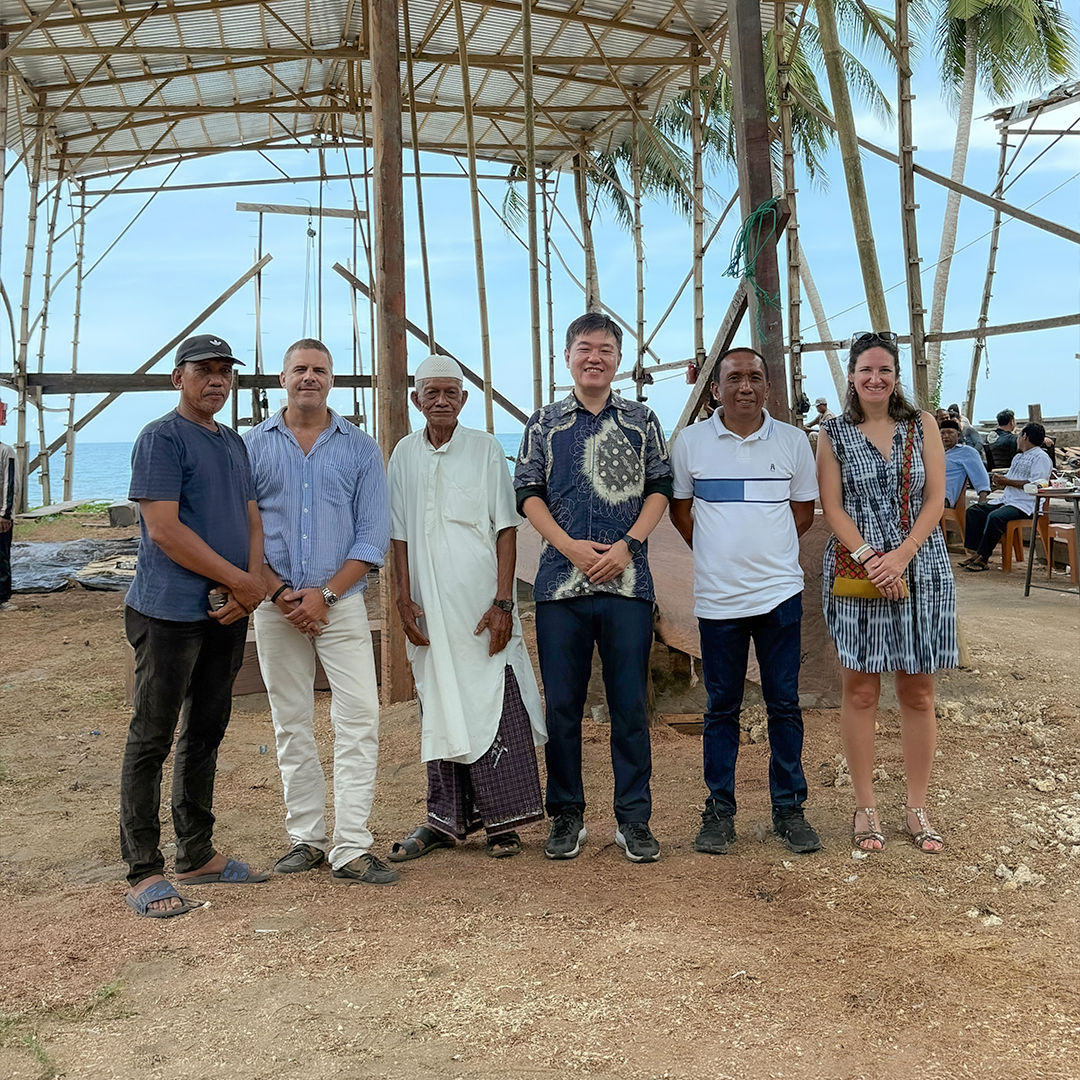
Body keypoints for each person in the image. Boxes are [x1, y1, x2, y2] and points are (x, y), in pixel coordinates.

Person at [514, 312, 672, 863]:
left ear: (618, 358)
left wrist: (627, 545)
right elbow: (528, 493)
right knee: (564, 705)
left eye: (605, 349)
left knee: (630, 704)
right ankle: (567, 816)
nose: (595, 358)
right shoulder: (544, 424)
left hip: (628, 583)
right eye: (585, 349)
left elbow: (660, 488)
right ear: (568, 356)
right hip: (561, 586)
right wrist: (572, 548)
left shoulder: (641, 420)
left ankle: (634, 819)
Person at [121, 334, 269, 919]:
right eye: (203, 370)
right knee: (151, 736)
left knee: (206, 730)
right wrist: (240, 579)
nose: (216, 380)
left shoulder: (232, 440)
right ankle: (143, 870)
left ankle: (197, 853)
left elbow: (252, 516)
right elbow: (164, 529)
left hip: (226, 611)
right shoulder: (161, 437)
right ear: (176, 379)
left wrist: (249, 585)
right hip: (167, 612)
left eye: (223, 372)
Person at [246, 339, 397, 886]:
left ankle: (351, 845)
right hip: (275, 605)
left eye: (320, 370)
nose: (309, 377)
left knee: (359, 718)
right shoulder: (252, 447)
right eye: (300, 369)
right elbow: (245, 530)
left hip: (343, 604)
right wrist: (280, 592)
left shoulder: (359, 449)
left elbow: (372, 535)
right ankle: (306, 837)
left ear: (333, 379)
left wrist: (324, 595)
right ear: (281, 378)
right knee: (291, 722)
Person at [387, 355, 547, 863]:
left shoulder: (484, 450)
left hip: (481, 605)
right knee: (440, 702)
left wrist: (504, 602)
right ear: (416, 400)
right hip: (430, 608)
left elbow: (506, 529)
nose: (440, 401)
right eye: (430, 392)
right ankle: (443, 821)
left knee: (495, 698)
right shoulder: (403, 454)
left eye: (449, 392)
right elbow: (398, 535)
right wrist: (401, 598)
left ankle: (503, 824)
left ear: (463, 398)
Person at [669, 348, 821, 856]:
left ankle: (789, 810)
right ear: (716, 389)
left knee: (783, 704)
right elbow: (681, 513)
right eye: (734, 377)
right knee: (721, 708)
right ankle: (719, 811)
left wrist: (766, 554)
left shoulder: (795, 442)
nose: (746, 386)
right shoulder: (689, 444)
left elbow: (802, 513)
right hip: (718, 601)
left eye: (756, 376)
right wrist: (719, 554)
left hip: (780, 595)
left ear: (768, 387)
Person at [817, 332, 956, 854]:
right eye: (865, 370)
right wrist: (874, 557)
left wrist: (902, 554)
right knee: (861, 690)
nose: (875, 379)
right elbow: (832, 506)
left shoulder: (922, 426)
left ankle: (918, 806)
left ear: (896, 377)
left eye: (885, 371)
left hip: (922, 566)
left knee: (918, 691)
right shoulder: (832, 433)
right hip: (858, 569)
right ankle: (865, 805)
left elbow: (936, 497)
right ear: (851, 376)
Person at [960, 423, 1053, 573]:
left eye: (1019, 435)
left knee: (995, 517)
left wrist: (1007, 482)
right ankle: (976, 552)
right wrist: (998, 482)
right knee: (974, 511)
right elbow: (1010, 480)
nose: (1017, 439)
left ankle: (984, 557)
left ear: (1024, 436)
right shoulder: (1018, 457)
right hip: (1008, 500)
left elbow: (1037, 485)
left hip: (1026, 504)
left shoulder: (1041, 457)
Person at [939, 418, 990, 509]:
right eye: (942, 433)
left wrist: (982, 504)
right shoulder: (934, 453)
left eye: (950, 432)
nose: (945, 436)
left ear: (958, 435)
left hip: (944, 497)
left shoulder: (967, 452)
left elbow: (981, 478)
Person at [0, 437, 17, 610]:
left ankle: (2, 598)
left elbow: (10, 483)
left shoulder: (6, 452)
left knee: (1, 557)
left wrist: (5, 514)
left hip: (0, 515)